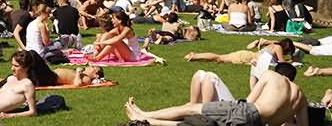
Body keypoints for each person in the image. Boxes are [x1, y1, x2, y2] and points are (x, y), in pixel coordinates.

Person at [124, 68, 308, 126]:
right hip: (256, 123)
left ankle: (144, 114)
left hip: (248, 110)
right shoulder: (301, 97)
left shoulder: (271, 75)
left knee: (191, 108)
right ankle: (146, 121)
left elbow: (249, 101)